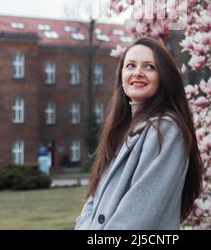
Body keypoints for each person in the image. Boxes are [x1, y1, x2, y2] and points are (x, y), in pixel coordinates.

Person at [75, 36, 202, 230]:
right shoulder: (121, 130)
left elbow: (139, 213)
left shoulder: (165, 129)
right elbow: (94, 200)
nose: (138, 73)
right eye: (131, 66)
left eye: (149, 67)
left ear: (163, 77)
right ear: (121, 75)